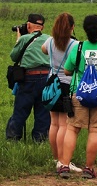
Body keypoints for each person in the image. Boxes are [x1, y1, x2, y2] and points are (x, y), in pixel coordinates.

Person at [59, 14, 97, 179]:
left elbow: (67, 70)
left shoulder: (78, 48)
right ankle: (88, 168)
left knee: (72, 129)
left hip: (79, 93)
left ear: (84, 30)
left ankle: (64, 166)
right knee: (95, 131)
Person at [40, 13, 82, 173]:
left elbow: (44, 50)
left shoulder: (50, 42)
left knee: (54, 123)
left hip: (51, 84)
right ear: (72, 27)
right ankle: (64, 160)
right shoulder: (75, 45)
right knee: (65, 124)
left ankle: (56, 158)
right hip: (66, 86)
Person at [6, 14, 51, 142]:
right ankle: (40, 139)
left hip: (29, 78)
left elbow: (14, 57)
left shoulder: (24, 39)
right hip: (46, 77)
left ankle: (13, 138)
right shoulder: (50, 39)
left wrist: (18, 40)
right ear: (42, 26)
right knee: (43, 112)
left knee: (21, 109)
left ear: (29, 25)